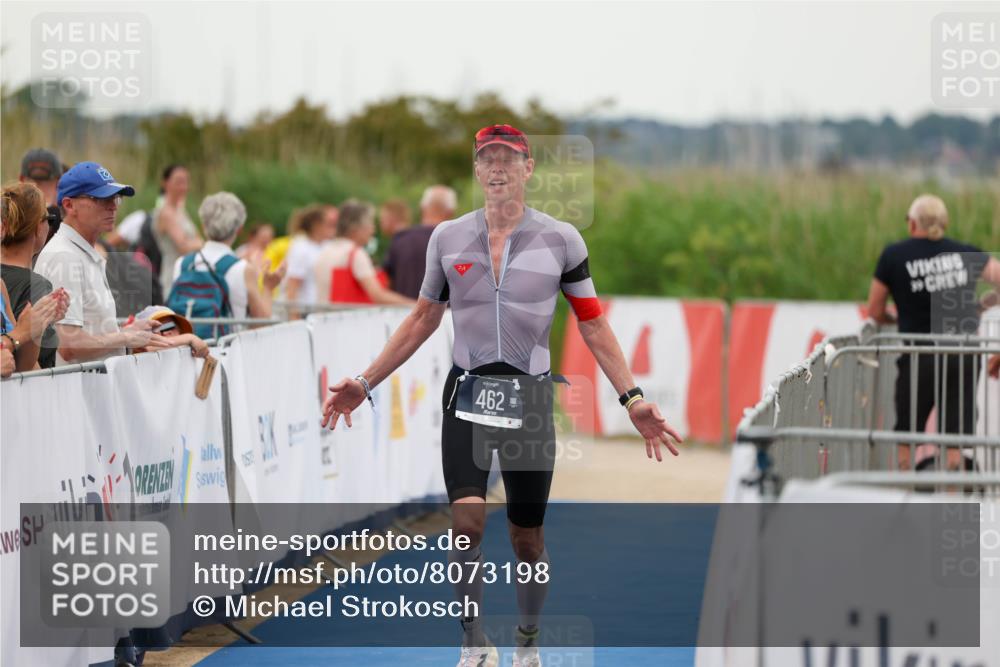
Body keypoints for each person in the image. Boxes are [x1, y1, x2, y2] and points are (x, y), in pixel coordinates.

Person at [322, 124, 682, 667]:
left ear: (528, 168)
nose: (497, 168)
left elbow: (593, 324)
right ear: (475, 168)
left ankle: (528, 640)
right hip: (466, 393)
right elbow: (422, 319)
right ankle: (471, 641)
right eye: (487, 158)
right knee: (467, 522)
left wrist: (632, 398)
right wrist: (365, 382)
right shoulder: (447, 238)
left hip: (530, 400)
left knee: (526, 539)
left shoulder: (562, 239)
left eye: (509, 159)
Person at [867, 193, 1000, 470]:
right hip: (962, 352)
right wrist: (981, 306)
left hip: (920, 352)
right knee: (954, 438)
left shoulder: (894, 255)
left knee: (908, 434)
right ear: (944, 224)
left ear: (913, 223)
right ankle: (952, 499)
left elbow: (875, 309)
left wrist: (894, 319)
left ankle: (907, 498)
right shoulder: (966, 253)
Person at [34, 161, 171, 365]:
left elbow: (86, 331)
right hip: (73, 392)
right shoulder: (65, 256)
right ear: (69, 205)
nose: (113, 206)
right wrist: (125, 337)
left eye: (115, 198)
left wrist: (125, 331)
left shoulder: (79, 251)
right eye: (100, 198)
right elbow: (70, 346)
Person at [167, 192, 286, 336]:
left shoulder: (182, 264)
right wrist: (268, 287)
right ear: (239, 228)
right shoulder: (242, 268)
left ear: (203, 225)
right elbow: (261, 322)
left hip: (186, 349)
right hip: (227, 350)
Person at [1, 181, 70, 369]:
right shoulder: (37, 285)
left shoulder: (3, 285)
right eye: (48, 219)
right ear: (39, 227)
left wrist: (37, 326)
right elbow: (31, 368)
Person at [314, 199, 412, 306]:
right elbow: (378, 296)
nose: (373, 230)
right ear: (357, 227)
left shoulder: (326, 249)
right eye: (370, 223)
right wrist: (415, 305)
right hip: (346, 320)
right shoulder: (355, 254)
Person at [383, 185, 458, 299]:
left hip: (402, 314)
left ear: (422, 208)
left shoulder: (400, 240)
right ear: (451, 212)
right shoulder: (457, 243)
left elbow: (385, 284)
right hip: (444, 315)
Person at [152, 164, 202, 295]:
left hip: (188, 276)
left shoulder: (180, 210)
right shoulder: (165, 212)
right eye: (179, 182)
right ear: (165, 183)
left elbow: (196, 239)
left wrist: (197, 242)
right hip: (173, 277)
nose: (183, 187)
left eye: (186, 182)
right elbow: (183, 246)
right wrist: (202, 243)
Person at [283, 205, 336, 317]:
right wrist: (294, 317)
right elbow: (292, 285)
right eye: (328, 224)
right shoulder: (301, 247)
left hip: (324, 311)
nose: (332, 228)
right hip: (306, 312)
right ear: (316, 225)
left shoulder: (328, 246)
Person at [19, 147, 64, 244]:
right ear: (59, 181)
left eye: (43, 183)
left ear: (21, 180)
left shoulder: (10, 217)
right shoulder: (67, 219)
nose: (38, 191)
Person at [131, 305, 209, 358]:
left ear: (180, 330)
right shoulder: (137, 353)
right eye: (155, 328)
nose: (166, 332)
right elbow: (147, 349)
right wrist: (190, 338)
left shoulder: (189, 354)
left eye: (170, 326)